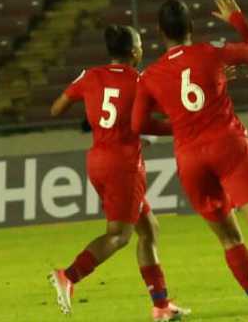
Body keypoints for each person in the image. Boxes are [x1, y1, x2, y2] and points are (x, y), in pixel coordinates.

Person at [131, 0, 248, 322]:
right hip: (228, 144)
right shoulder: (211, 53)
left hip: (191, 158)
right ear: (191, 27)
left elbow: (138, 124)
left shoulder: (151, 76)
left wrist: (180, 126)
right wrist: (237, 18)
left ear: (160, 33)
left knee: (229, 238)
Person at [47, 25, 189, 322]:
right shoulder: (140, 81)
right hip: (124, 166)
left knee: (148, 229)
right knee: (119, 236)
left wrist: (94, 109)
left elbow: (56, 108)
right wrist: (177, 127)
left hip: (96, 160)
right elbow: (148, 123)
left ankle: (161, 306)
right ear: (135, 53)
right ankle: (68, 275)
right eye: (140, 45)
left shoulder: (90, 76)